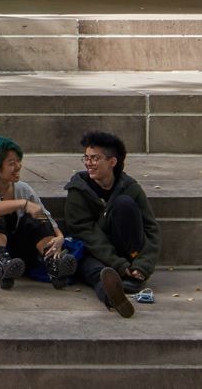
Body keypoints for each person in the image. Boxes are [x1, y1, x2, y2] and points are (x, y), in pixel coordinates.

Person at [63, 130, 161, 316]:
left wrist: (142, 265)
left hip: (127, 253)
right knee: (98, 273)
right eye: (86, 158)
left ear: (112, 162)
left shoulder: (130, 188)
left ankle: (132, 278)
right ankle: (113, 297)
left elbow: (151, 229)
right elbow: (86, 233)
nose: (88, 163)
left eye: (95, 158)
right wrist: (119, 265)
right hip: (92, 252)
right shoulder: (78, 190)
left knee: (124, 204)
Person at [0, 135, 80, 289]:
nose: (18, 166)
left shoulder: (23, 189)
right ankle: (2, 264)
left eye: (19, 161)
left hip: (18, 259)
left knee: (36, 217)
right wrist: (24, 204)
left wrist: (59, 238)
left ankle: (54, 265)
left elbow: (45, 215)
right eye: (11, 163)